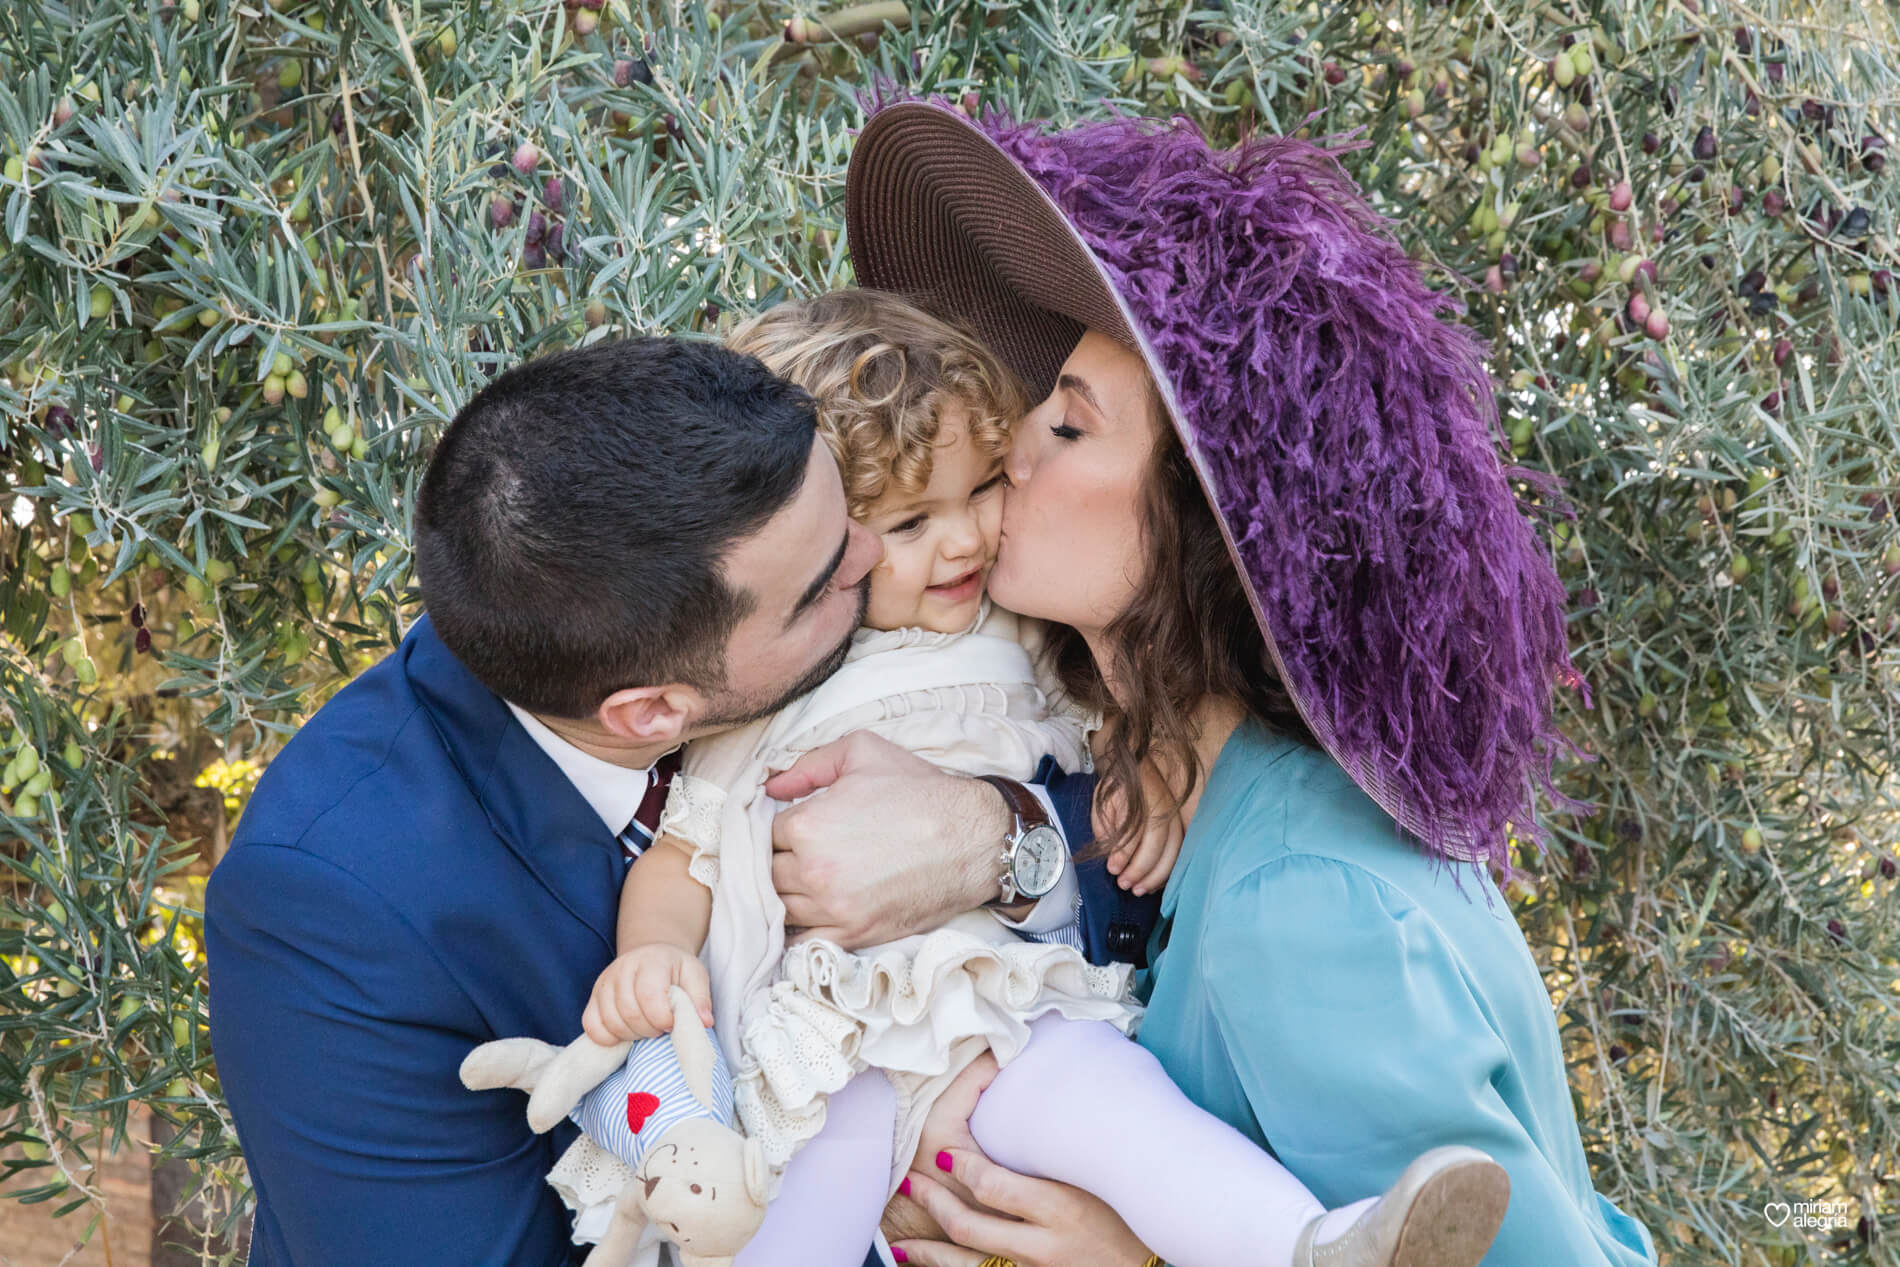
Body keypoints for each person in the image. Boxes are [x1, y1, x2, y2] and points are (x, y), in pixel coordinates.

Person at [802, 97, 1665, 1267]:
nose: (1007, 446)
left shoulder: (1300, 902)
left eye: (1069, 426)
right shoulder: (1204, 804)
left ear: (1204, 527)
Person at [532, 289, 1508, 1267]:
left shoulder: (1043, 666)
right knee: (813, 1191)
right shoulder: (782, 680)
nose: (966, 538)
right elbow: (685, 851)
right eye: (912, 521)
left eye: (985, 483)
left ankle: (1308, 1243)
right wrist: (651, 955)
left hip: (1007, 1012)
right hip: (836, 1047)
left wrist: (1130, 773)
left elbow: (1120, 748)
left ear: (1199, 523)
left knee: (1116, 1107)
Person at [201, 335, 1148, 1267]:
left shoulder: (735, 540)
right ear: (655, 710)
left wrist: (1002, 834)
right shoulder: (333, 909)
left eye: (855, 510)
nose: (870, 551)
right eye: (827, 578)